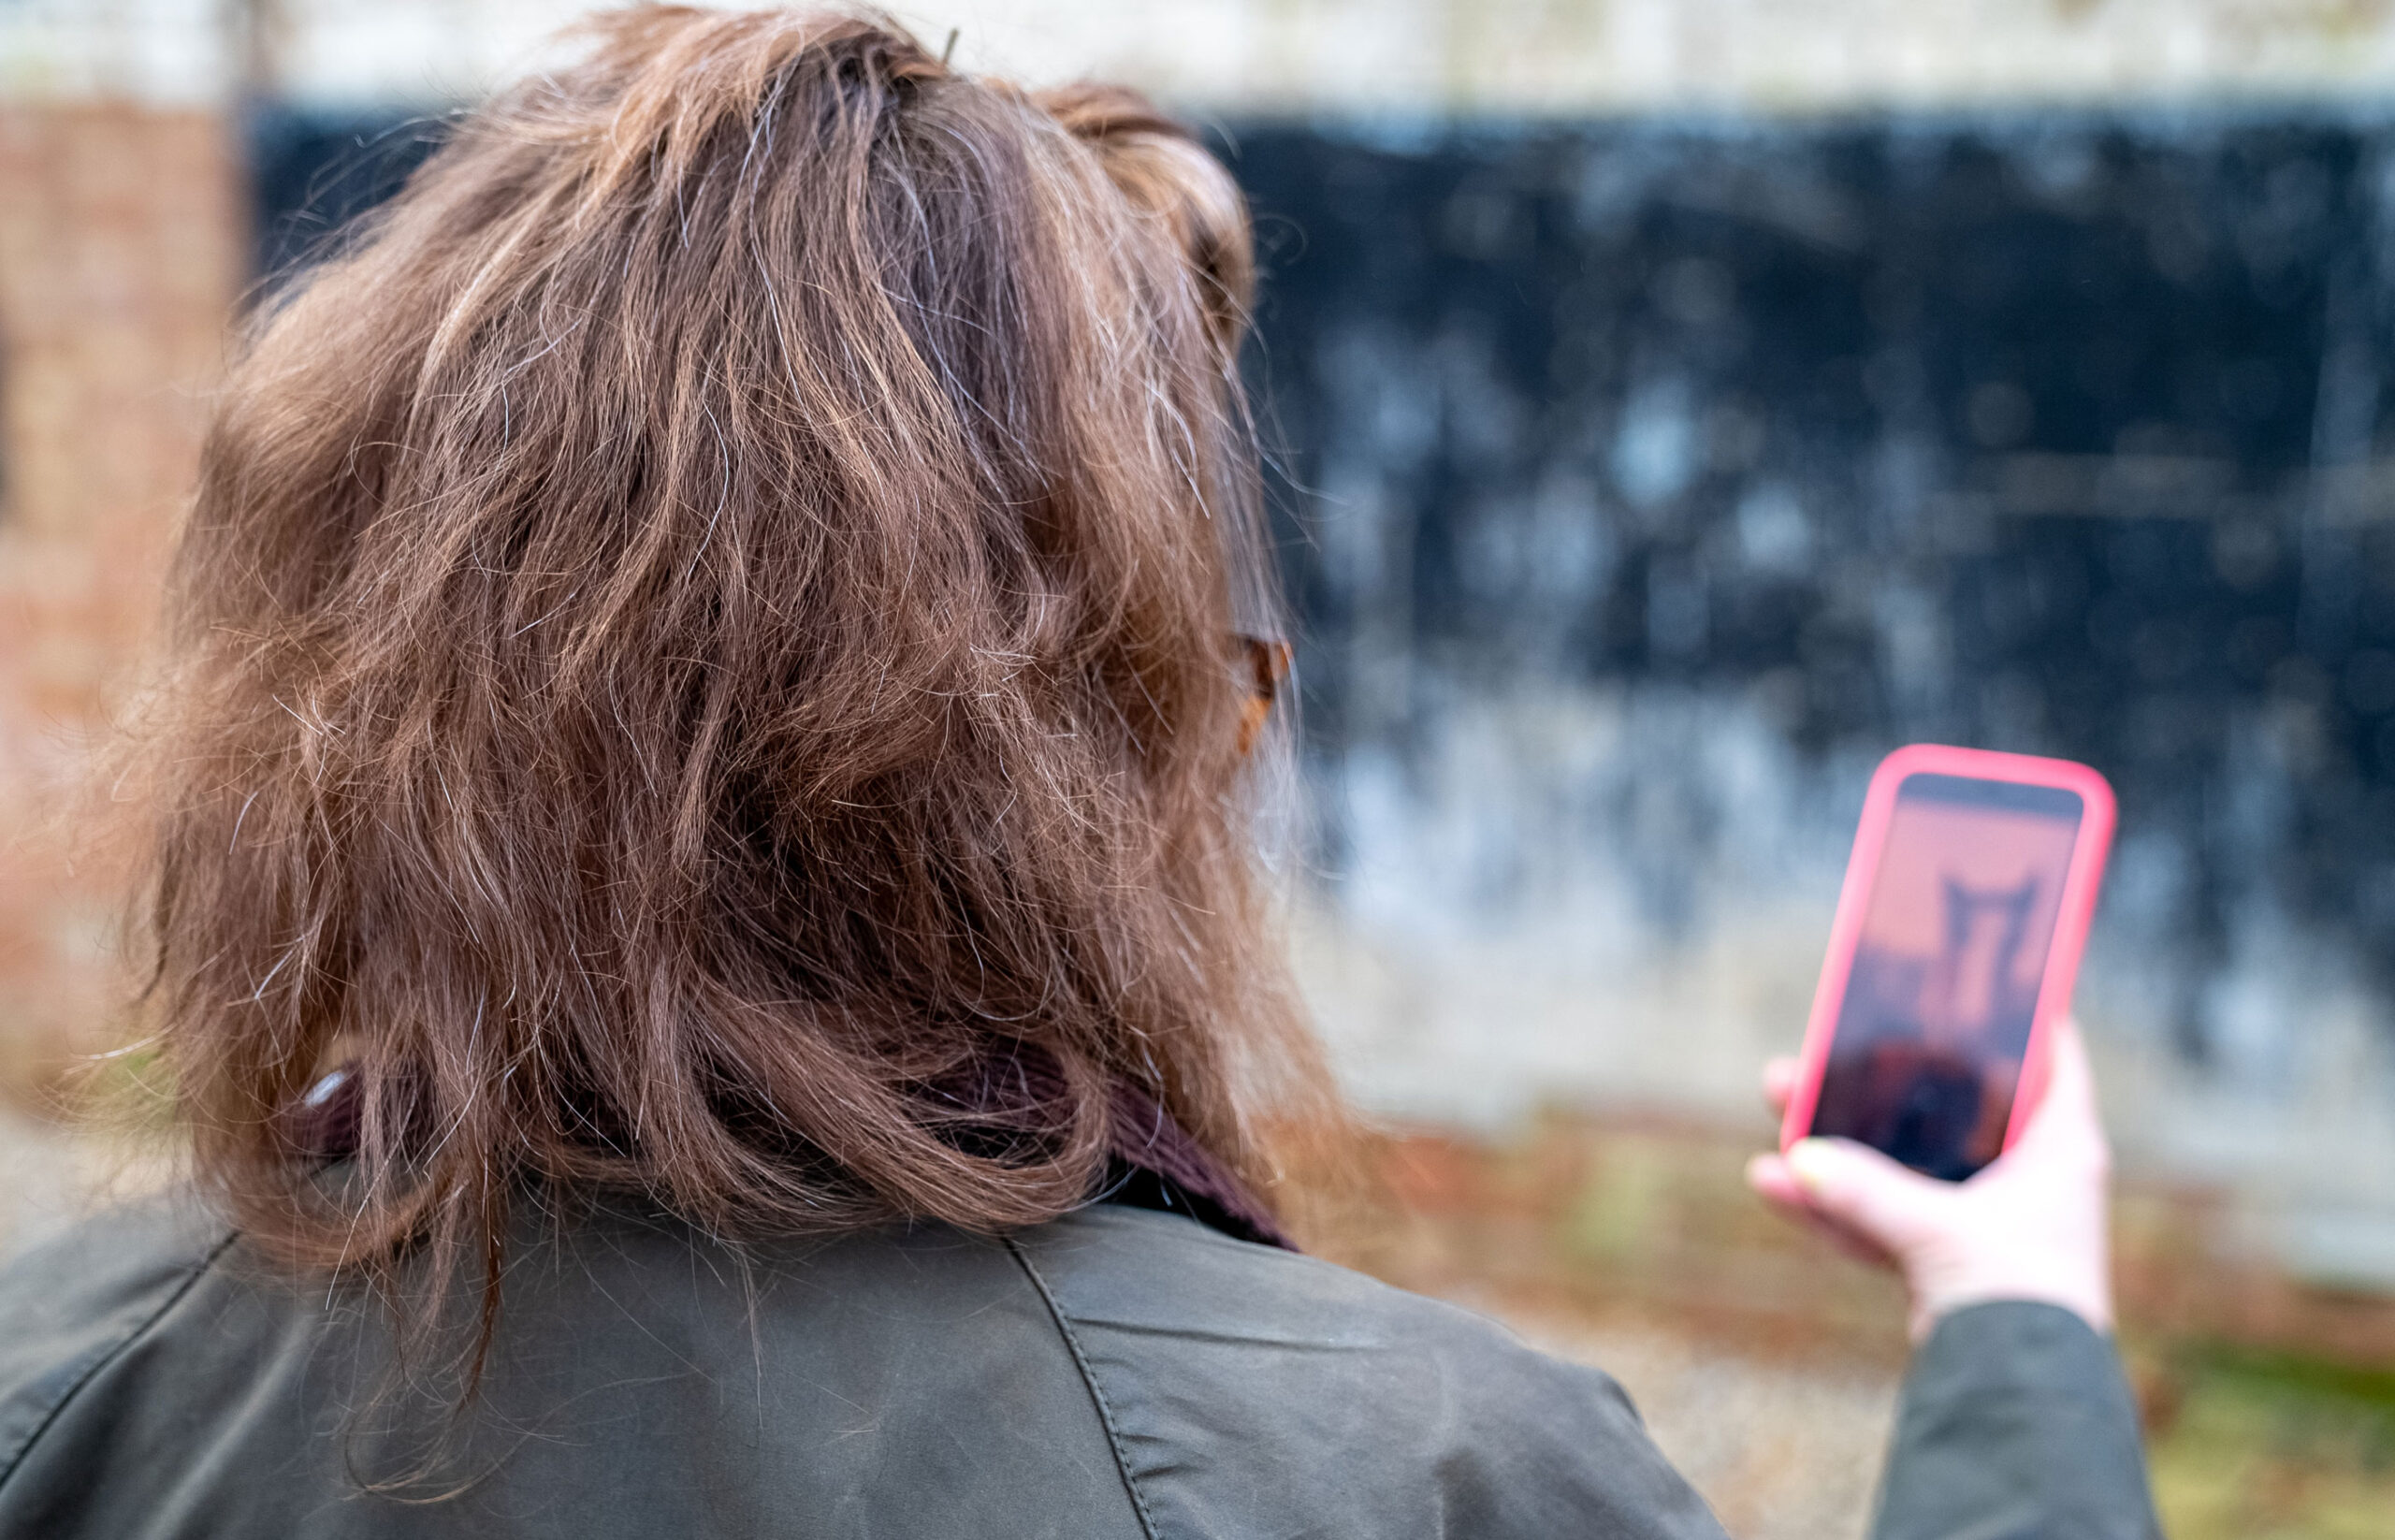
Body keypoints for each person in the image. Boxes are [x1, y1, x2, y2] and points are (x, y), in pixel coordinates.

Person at [0, 9, 2160, 1537]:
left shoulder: (63, 1389)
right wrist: (2013, 1332)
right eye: (1202, 707)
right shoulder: (1425, 1480)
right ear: (1070, 763)